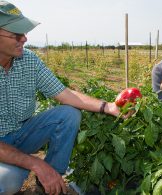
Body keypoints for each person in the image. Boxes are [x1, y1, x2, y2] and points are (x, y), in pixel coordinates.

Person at [0, 1, 122, 194]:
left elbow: (64, 94)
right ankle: (27, 170)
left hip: (24, 133)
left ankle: (49, 181)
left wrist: (107, 106)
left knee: (68, 114)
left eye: (24, 33)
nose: (24, 38)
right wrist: (36, 164)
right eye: (16, 34)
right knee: (6, 183)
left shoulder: (28, 59)